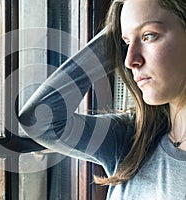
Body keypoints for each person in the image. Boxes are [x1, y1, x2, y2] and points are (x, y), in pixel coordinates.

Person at [19, 0, 186, 199]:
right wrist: (118, 27)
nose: (129, 60)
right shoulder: (133, 138)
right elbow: (39, 120)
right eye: (125, 43)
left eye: (149, 36)